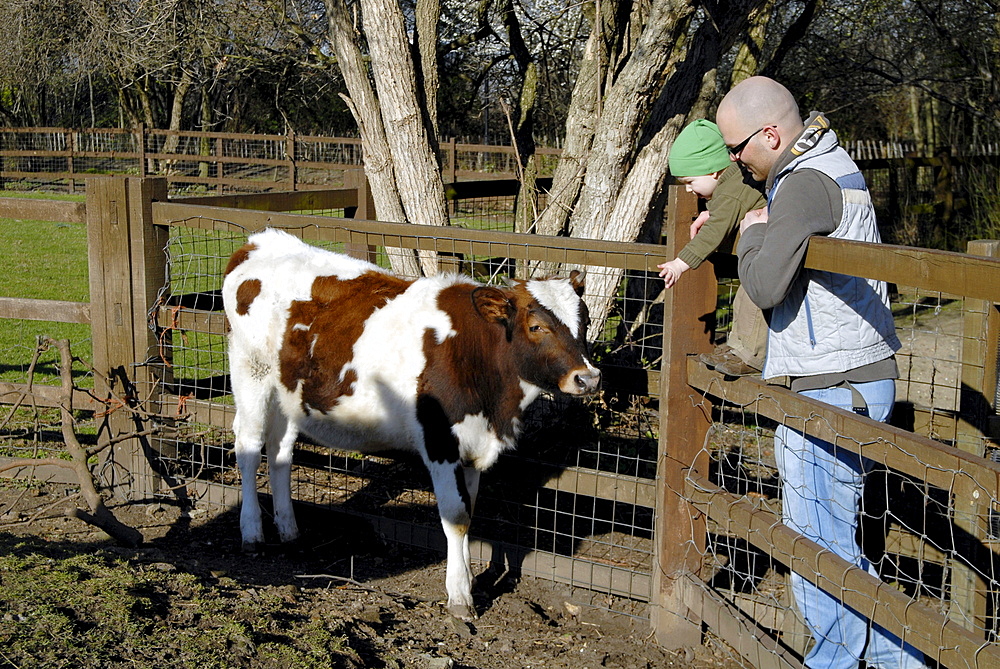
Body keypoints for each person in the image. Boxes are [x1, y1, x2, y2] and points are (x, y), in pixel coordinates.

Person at [716, 76, 926, 669]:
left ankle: (847, 659)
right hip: (841, 374)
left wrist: (751, 236)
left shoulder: (804, 185)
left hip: (833, 382)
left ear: (773, 134)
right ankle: (889, 660)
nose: (735, 161)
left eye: (738, 148)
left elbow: (762, 284)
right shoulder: (824, 165)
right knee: (829, 540)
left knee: (820, 544)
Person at [658, 119, 768, 376]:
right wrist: (711, 212)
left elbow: (714, 233)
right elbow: (726, 211)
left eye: (690, 181)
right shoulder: (734, 182)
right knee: (743, 299)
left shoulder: (732, 192)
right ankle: (737, 347)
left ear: (713, 171)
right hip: (760, 256)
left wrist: (679, 263)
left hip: (765, 258)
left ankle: (749, 356)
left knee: (751, 300)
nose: (688, 188)